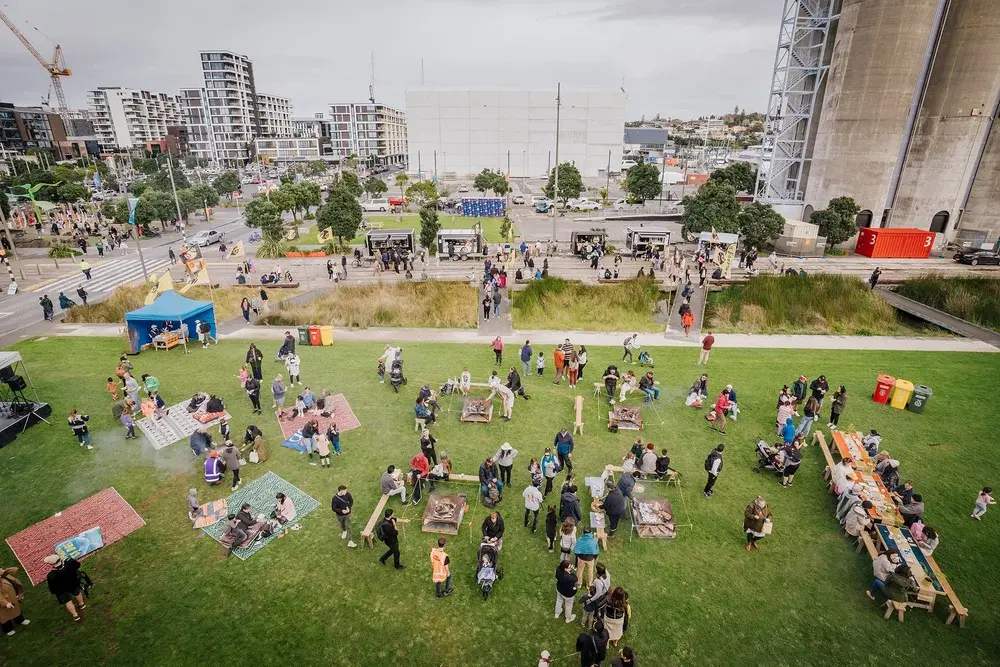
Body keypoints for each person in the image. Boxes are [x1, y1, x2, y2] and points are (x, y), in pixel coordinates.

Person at [44, 555, 88, 623]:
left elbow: (52, 588)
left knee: (68, 601)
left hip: (62, 590)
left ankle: (75, 615)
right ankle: (81, 604)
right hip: (73, 583)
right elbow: (78, 565)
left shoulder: (51, 575)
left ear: (51, 564)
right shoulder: (70, 562)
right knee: (77, 592)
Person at [582, 562, 611, 630]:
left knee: (596, 606)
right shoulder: (607, 573)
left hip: (599, 595)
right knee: (600, 607)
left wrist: (590, 600)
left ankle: (595, 617)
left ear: (597, 570)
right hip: (605, 593)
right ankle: (596, 617)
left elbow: (598, 594)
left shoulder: (598, 582)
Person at [0, 566, 28, 636]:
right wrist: (5, 603)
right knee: (5, 617)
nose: (1, 570)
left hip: (12, 597)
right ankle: (8, 629)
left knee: (16, 611)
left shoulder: (4, 575)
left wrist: (5, 571)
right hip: (4, 603)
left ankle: (20, 620)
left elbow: (15, 569)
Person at [555, 560, 579, 624]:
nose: (570, 568)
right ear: (565, 569)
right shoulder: (568, 577)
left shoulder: (558, 569)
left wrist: (568, 571)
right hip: (567, 593)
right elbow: (575, 578)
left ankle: (557, 613)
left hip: (559, 589)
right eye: (569, 567)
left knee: (559, 601)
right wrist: (570, 572)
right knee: (568, 605)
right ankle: (568, 618)